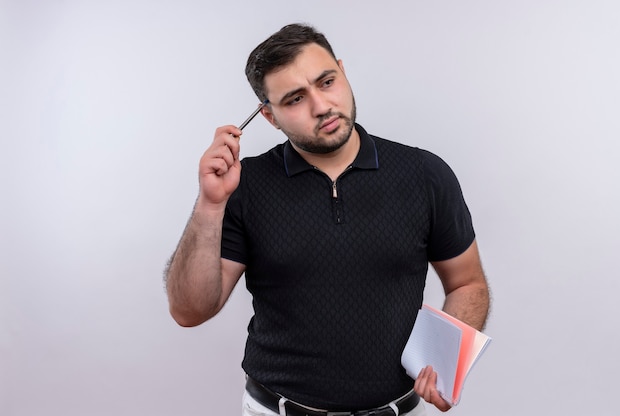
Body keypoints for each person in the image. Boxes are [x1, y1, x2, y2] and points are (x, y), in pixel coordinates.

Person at [165, 23, 490, 416]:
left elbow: (467, 282)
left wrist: (445, 359)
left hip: (400, 409)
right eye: (296, 99)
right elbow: (190, 310)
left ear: (342, 71)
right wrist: (210, 204)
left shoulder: (424, 174)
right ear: (270, 117)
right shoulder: (245, 186)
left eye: (327, 81)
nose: (321, 106)